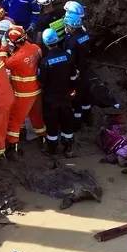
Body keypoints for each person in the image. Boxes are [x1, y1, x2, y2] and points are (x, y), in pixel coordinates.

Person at [2, 25, 44, 151]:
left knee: (15, 119)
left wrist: (3, 48)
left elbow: (3, 63)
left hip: (23, 93)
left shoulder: (17, 58)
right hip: (37, 90)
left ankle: (12, 145)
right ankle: (43, 138)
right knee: (37, 116)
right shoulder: (36, 48)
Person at [38, 28, 76, 156]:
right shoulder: (67, 56)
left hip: (51, 99)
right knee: (67, 121)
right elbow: (73, 76)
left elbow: (41, 81)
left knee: (52, 123)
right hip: (66, 96)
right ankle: (68, 148)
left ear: (45, 43)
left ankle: (52, 149)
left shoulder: (45, 62)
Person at [64, 11, 92, 128]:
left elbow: (70, 60)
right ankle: (88, 119)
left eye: (66, 26)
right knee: (86, 97)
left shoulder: (71, 41)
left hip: (77, 73)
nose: (66, 28)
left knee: (76, 100)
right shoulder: (86, 35)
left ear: (71, 26)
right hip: (86, 69)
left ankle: (76, 125)